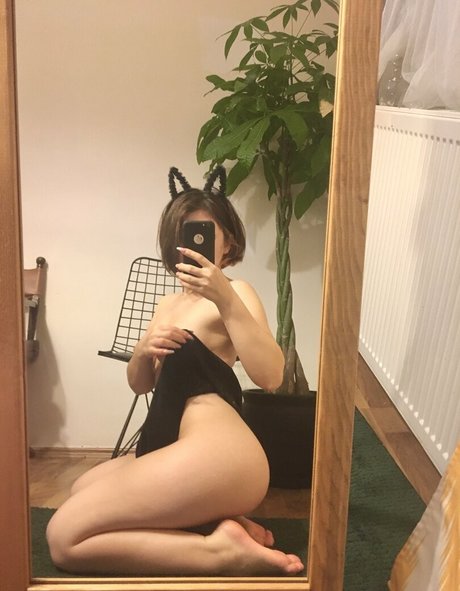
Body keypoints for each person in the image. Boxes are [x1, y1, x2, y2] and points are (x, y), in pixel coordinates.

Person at [46, 166, 304, 577]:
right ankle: (221, 525)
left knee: (64, 538)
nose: (192, 243)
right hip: (166, 446)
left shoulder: (237, 292)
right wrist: (142, 350)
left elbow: (271, 375)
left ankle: (220, 552)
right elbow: (141, 384)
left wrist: (225, 298)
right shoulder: (166, 305)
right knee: (80, 490)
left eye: (204, 232)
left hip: (218, 451)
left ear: (228, 242)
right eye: (183, 235)